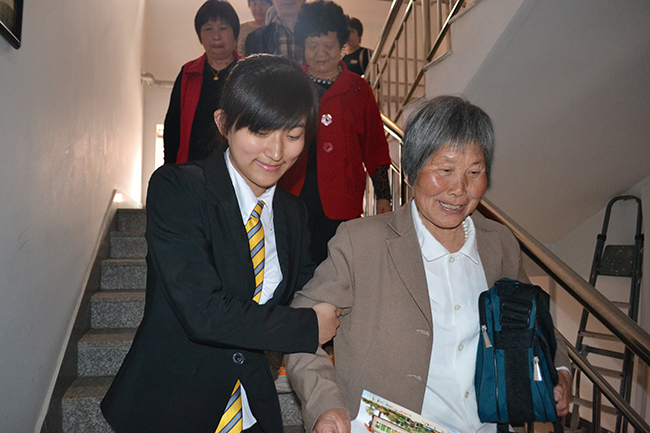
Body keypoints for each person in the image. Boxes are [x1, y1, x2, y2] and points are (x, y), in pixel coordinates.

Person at [285, 96, 573, 433]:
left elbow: (535, 319)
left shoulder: (498, 243)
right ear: (409, 172)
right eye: (445, 171)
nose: (459, 190)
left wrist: (560, 371)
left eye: (474, 173)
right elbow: (298, 330)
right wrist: (326, 405)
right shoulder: (361, 243)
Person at [100, 55, 342, 433]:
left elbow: (307, 292)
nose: (276, 152)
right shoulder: (178, 189)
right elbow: (204, 311)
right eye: (260, 131)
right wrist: (308, 325)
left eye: (293, 135)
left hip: (251, 405)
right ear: (224, 123)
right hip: (170, 408)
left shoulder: (292, 213)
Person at [280, 0, 393, 266]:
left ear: (341, 45)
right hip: (294, 196)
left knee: (337, 268)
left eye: (328, 46)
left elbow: (375, 147)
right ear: (303, 45)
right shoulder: (290, 85)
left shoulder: (358, 89)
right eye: (312, 45)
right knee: (294, 267)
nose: (320, 53)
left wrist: (384, 194)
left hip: (343, 200)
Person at [163, 0, 242, 165]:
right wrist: (171, 169)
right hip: (192, 166)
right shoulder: (188, 73)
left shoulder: (248, 72)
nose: (216, 36)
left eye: (223, 28)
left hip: (238, 167)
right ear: (200, 36)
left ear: (235, 34)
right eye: (208, 29)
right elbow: (172, 126)